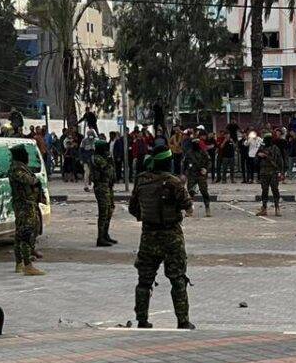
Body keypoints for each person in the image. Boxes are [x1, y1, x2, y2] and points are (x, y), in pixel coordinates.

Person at [128, 147, 194, 329]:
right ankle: (183, 321)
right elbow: (189, 208)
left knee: (144, 280)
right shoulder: (174, 182)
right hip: (171, 236)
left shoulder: (141, 181)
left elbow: (133, 209)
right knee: (178, 279)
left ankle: (142, 320)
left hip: (148, 236)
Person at [8, 145, 46, 275]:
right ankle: (27, 265)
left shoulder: (20, 167)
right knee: (25, 234)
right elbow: (28, 180)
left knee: (21, 234)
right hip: (24, 205)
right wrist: (36, 180)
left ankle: (20, 263)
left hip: (27, 204)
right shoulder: (16, 169)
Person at [90, 138, 117, 246]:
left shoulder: (103, 157)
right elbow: (107, 170)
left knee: (110, 209)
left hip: (107, 186)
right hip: (101, 187)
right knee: (103, 212)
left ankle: (105, 234)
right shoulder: (97, 158)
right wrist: (110, 160)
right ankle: (100, 238)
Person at [256, 132, 285, 215]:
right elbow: (256, 161)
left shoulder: (275, 148)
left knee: (275, 190)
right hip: (263, 172)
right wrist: (259, 155)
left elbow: (280, 161)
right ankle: (264, 208)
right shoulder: (261, 148)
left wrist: (282, 172)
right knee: (264, 191)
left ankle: (277, 207)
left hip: (273, 172)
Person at [182, 136, 212, 217]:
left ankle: (207, 207)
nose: (196, 144)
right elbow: (184, 164)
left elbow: (209, 162)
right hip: (192, 174)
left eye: (197, 143)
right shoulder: (188, 153)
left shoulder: (203, 152)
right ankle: (189, 209)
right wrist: (184, 174)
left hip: (201, 174)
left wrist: (206, 169)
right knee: (190, 192)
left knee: (204, 191)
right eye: (194, 143)